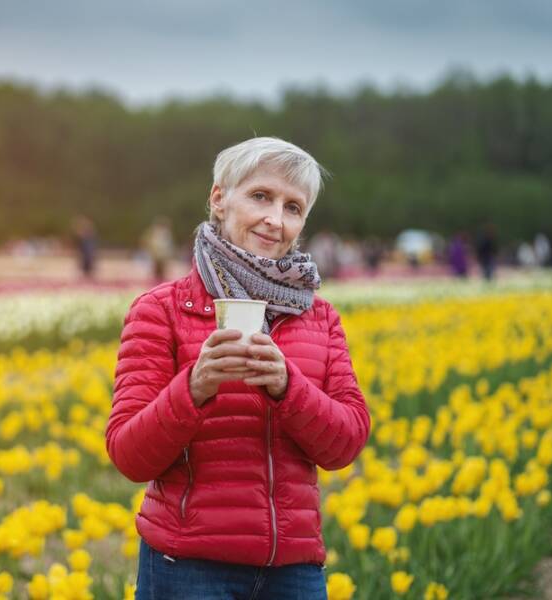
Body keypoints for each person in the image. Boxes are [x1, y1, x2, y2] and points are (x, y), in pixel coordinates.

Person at [106, 137, 370, 599]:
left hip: (293, 570)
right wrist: (195, 387)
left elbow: (346, 443)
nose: (275, 219)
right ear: (219, 199)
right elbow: (129, 456)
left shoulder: (319, 318)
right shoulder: (161, 310)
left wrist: (290, 387)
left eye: (293, 207)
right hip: (187, 567)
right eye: (261, 196)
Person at [141, 216, 176, 282]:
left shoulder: (167, 233)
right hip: (156, 255)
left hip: (162, 256)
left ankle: (158, 282)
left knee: (162, 272)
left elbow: (169, 246)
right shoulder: (153, 232)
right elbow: (146, 242)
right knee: (156, 271)